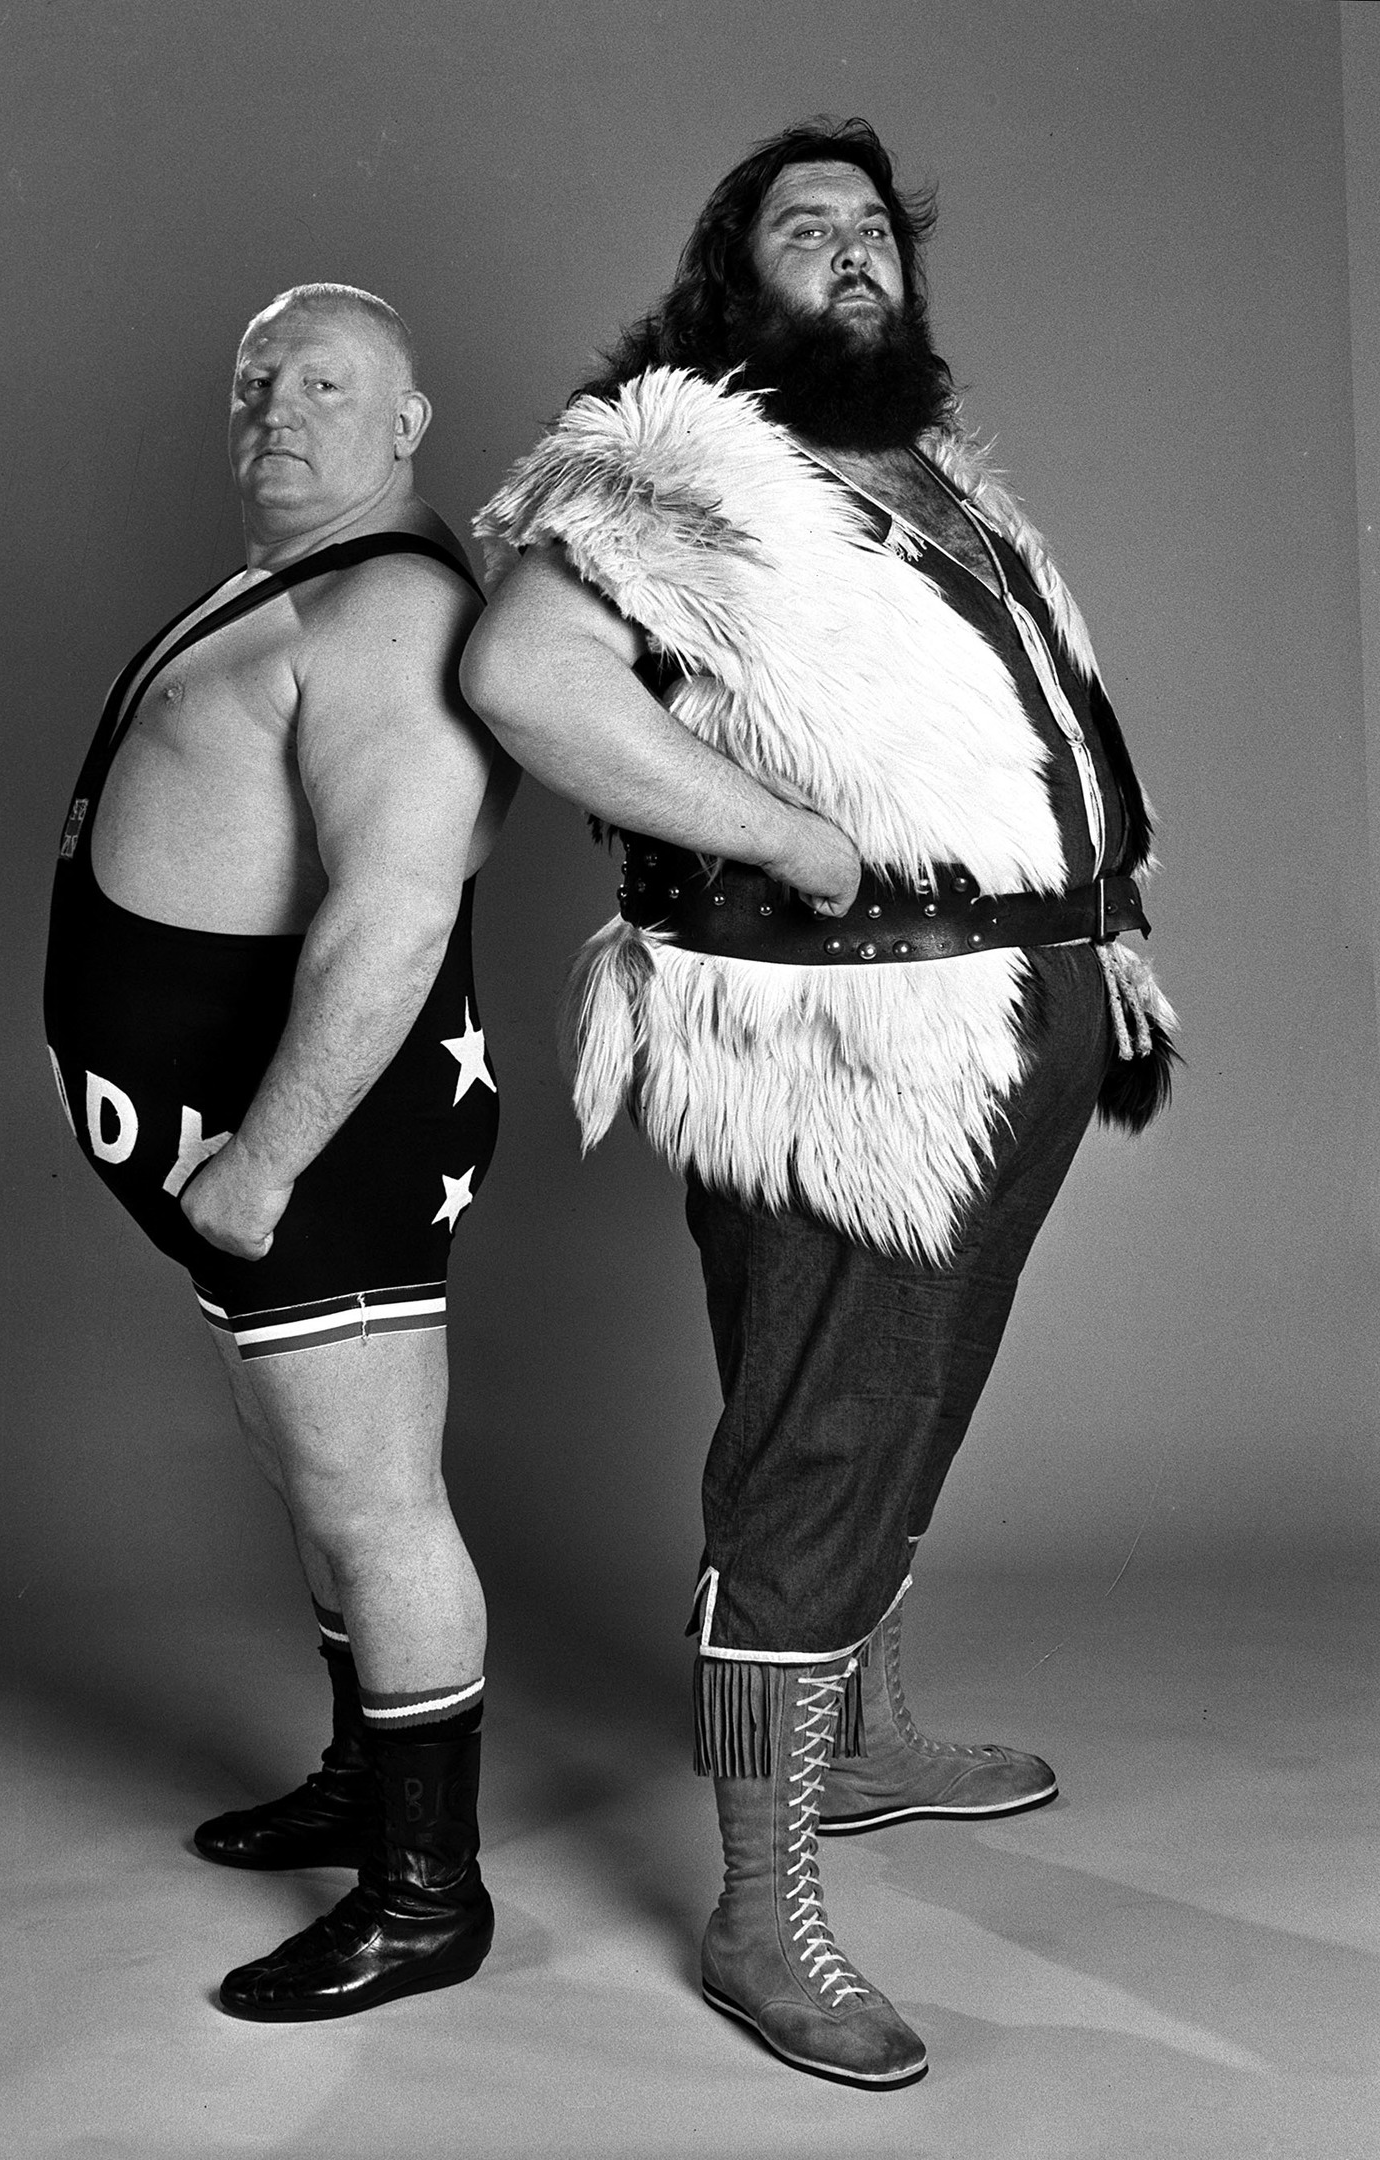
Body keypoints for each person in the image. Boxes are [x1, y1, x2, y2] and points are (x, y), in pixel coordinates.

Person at [463, 120, 1175, 2088]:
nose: (852, 253)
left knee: (914, 1384)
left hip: (1004, 1012)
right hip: (834, 1043)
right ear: (727, 275)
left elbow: (1030, 729)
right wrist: (778, 827)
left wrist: (1100, 924)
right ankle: (755, 1905)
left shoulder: (926, 476)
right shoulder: (673, 455)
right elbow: (524, 676)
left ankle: (855, 1735)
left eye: (872, 229)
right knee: (820, 1426)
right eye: (805, 229)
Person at [44, 283, 516, 2022]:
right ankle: (357, 1781)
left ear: (409, 425)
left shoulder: (389, 613)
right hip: (256, 1136)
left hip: (322, 1133)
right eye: (256, 376)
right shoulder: (290, 584)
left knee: (376, 1500)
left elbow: (394, 913)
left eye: (327, 381)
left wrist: (260, 1160)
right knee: (320, 1490)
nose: (278, 405)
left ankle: (426, 1892)